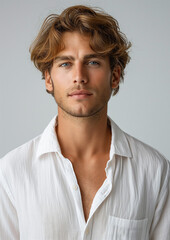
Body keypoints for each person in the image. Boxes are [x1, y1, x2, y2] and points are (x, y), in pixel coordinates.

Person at [0, 5, 169, 240]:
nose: (79, 76)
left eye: (93, 62)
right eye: (65, 63)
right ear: (48, 79)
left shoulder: (154, 172)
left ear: (115, 76)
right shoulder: (11, 172)